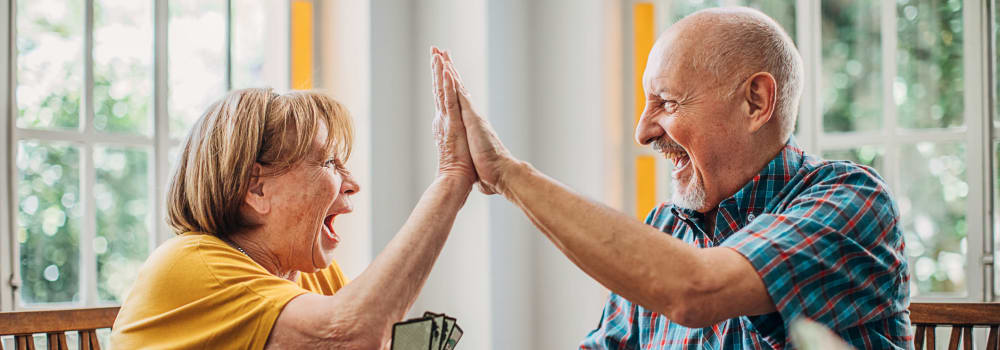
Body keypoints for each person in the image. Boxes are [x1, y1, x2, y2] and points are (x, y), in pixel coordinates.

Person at [431, 6, 910, 349]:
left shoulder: (852, 200)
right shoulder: (666, 227)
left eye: (667, 102)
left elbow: (695, 291)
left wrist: (510, 175)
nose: (642, 131)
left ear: (756, 102)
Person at [111, 76, 476, 348]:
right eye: (330, 162)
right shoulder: (189, 264)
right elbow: (354, 335)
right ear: (256, 188)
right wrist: (452, 178)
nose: (352, 184)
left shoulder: (310, 275)